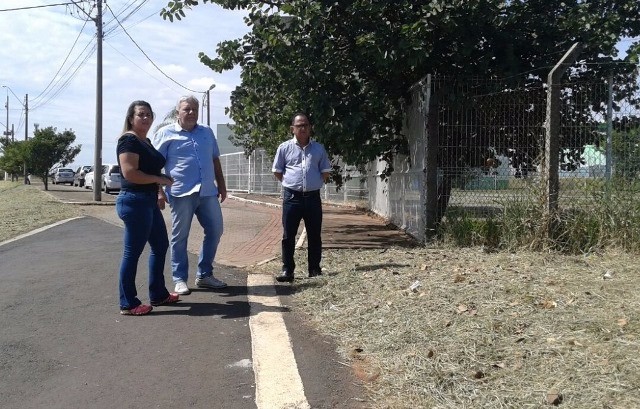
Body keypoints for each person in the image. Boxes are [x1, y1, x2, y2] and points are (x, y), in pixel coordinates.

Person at [152, 95, 228, 295]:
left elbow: (215, 160)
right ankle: (179, 278)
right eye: (187, 109)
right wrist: (158, 191)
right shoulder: (166, 133)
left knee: (216, 229)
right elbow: (154, 165)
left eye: (194, 109)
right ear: (178, 112)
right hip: (181, 193)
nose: (192, 112)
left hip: (208, 192)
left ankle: (204, 275)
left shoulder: (206, 132)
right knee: (180, 236)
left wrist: (222, 184)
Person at [116, 100, 179, 316]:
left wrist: (159, 191)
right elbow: (130, 173)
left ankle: (158, 294)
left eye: (149, 114)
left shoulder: (145, 141)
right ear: (131, 118)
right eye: (141, 114)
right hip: (134, 201)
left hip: (148, 201)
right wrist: (160, 180)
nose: (145, 118)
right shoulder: (128, 141)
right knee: (132, 253)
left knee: (160, 246)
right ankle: (128, 303)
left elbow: (149, 172)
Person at [272, 112, 332, 282]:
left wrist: (314, 183)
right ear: (292, 129)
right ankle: (288, 270)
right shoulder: (284, 148)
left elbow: (325, 171)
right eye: (299, 125)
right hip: (292, 198)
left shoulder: (319, 149)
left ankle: (314, 269)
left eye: (306, 125)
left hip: (313, 198)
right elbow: (277, 171)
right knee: (288, 235)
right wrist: (290, 183)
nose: (303, 128)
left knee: (314, 235)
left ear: (310, 127)